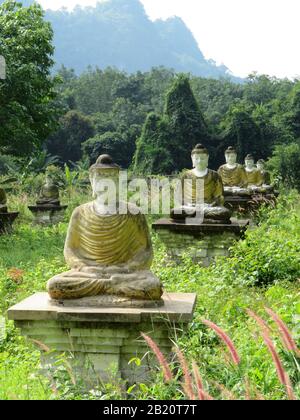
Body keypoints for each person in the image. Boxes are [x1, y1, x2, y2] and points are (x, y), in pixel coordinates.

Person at [47, 154, 163, 307]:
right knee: (55, 286)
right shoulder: (80, 213)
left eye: (111, 179)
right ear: (92, 181)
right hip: (88, 274)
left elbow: (145, 252)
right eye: (100, 178)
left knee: (152, 287)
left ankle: (109, 288)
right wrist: (86, 268)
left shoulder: (133, 212)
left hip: (124, 274)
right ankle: (113, 289)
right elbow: (70, 251)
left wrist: (126, 269)